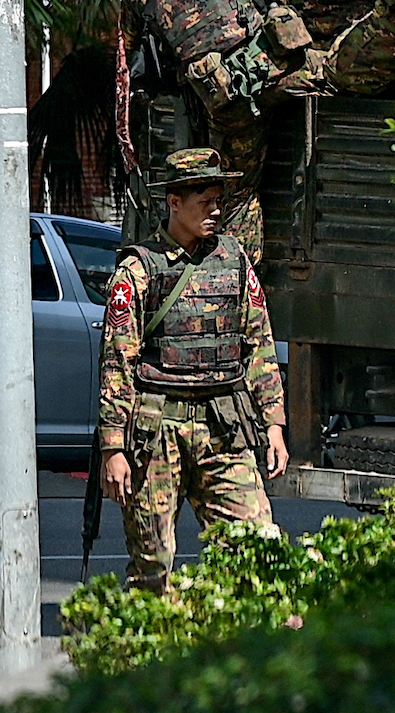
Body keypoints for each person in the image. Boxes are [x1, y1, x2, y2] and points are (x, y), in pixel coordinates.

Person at [97, 147, 289, 595]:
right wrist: (113, 449)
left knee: (257, 550)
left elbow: (258, 342)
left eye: (219, 201)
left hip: (224, 425)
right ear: (175, 203)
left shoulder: (235, 261)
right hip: (157, 429)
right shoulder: (138, 271)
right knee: (153, 567)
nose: (216, 211)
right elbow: (117, 362)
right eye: (205, 202)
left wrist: (274, 422)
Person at [121, 0, 326, 262]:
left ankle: (240, 287)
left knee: (239, 196)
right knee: (335, 72)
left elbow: (131, 53)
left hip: (229, 100)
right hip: (282, 67)